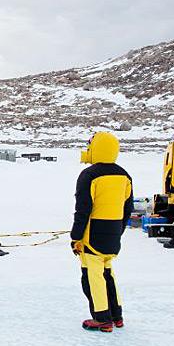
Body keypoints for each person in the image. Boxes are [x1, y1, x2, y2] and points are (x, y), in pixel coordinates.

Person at [71, 132, 133, 333]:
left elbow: (83, 210)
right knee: (108, 274)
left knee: (92, 276)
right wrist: (119, 230)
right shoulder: (124, 175)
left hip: (93, 235)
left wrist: (75, 237)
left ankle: (102, 318)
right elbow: (127, 208)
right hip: (114, 233)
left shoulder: (89, 176)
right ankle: (117, 316)